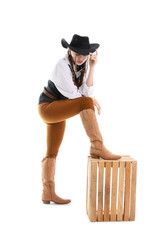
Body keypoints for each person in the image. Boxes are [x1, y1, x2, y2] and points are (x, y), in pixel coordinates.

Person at [38, 34, 121, 205]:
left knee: (52, 152)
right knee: (85, 102)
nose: (80, 58)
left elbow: (86, 92)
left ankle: (48, 193)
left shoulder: (82, 66)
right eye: (77, 53)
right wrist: (89, 100)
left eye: (84, 54)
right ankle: (97, 145)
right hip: (48, 107)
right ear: (69, 51)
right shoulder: (61, 65)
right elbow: (76, 96)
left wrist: (92, 67)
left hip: (59, 108)